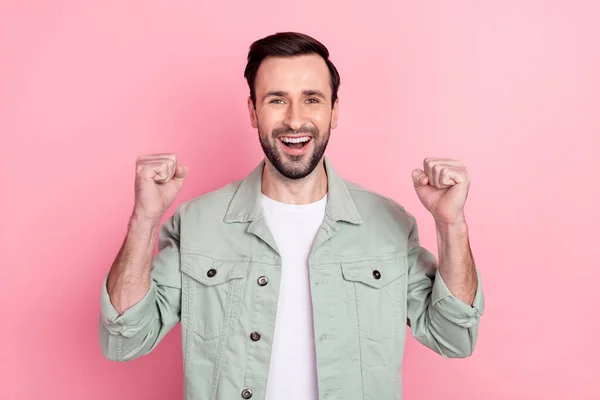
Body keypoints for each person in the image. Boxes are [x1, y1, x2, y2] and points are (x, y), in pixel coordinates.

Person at [99, 31, 484, 400]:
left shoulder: (390, 225)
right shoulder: (197, 224)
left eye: (312, 99)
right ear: (253, 111)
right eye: (277, 100)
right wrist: (145, 219)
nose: (295, 120)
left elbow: (453, 337)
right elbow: (125, 340)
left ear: (334, 111)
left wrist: (451, 225)